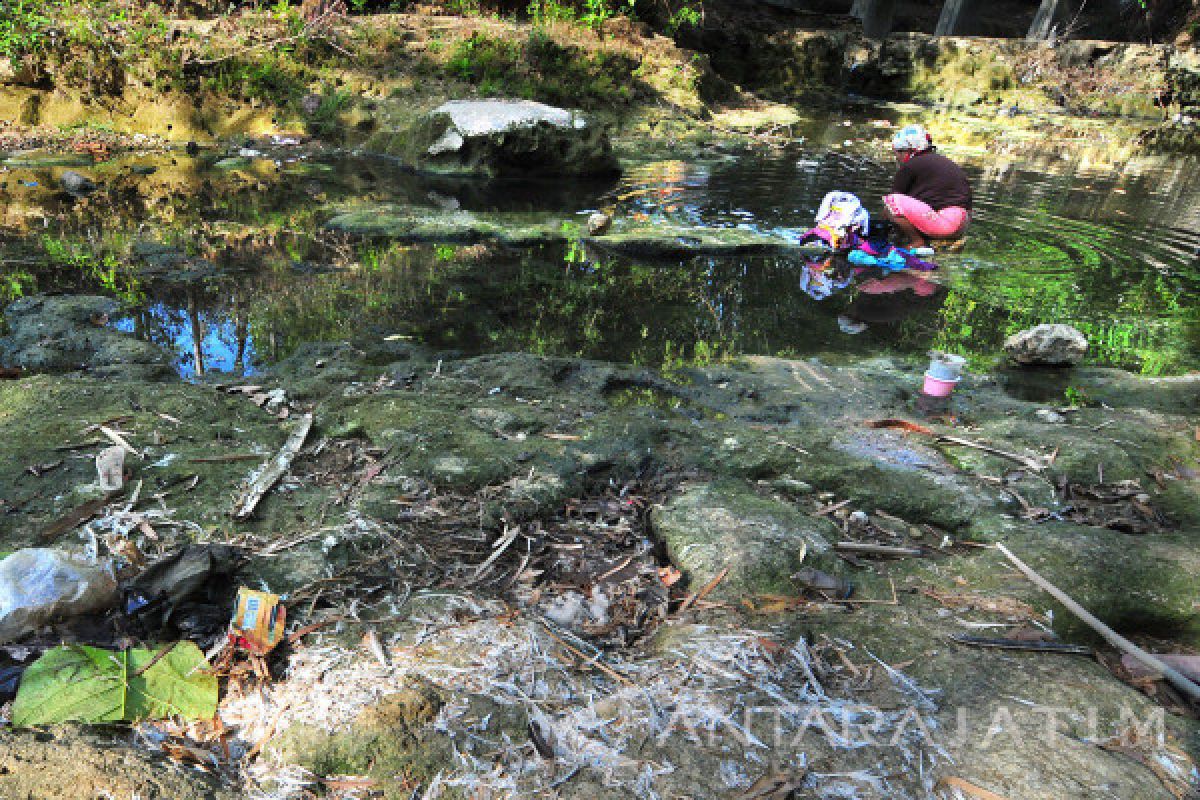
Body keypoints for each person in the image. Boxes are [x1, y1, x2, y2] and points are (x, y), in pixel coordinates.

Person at [883, 124, 972, 248]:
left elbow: (894, 202)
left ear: (909, 150)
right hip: (962, 223)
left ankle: (917, 242)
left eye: (899, 152)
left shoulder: (911, 165)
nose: (897, 156)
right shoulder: (942, 161)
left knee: (891, 201)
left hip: (945, 224)